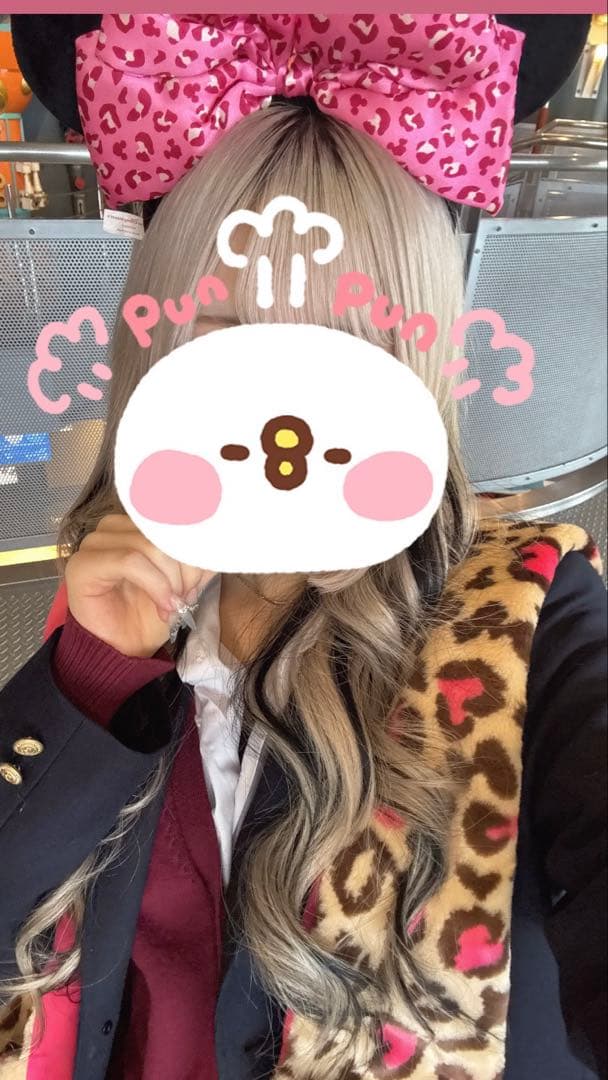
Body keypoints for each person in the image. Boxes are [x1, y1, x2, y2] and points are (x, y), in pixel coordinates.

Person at [1, 14, 606, 1080]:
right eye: (226, 338)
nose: (285, 419)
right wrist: (86, 677)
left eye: (346, 347)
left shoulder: (530, 624)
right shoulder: (113, 595)